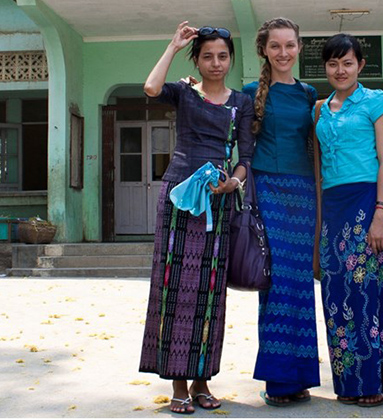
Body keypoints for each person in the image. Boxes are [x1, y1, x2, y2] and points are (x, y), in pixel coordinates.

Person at [138, 22, 255, 414]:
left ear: (230, 59)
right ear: (197, 59)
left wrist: (232, 184)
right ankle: (178, 384)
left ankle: (203, 380)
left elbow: (246, 158)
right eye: (207, 56)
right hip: (179, 200)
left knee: (209, 295)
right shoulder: (185, 94)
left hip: (217, 203)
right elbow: (152, 88)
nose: (216, 63)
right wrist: (172, 45)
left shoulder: (241, 102)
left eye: (223, 56)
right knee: (174, 290)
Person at [241, 17, 320, 407]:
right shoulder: (249, 92)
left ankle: (302, 376)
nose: (283, 53)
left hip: (304, 195)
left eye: (290, 45)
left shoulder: (309, 94)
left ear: (299, 48)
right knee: (275, 285)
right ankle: (278, 381)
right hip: (267, 191)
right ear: (264, 50)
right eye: (276, 46)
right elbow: (238, 145)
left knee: (300, 286)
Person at [314, 33, 383, 407]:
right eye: (333, 63)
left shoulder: (375, 101)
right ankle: (348, 385)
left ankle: (373, 384)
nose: (340, 70)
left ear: (361, 65)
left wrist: (381, 212)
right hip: (333, 206)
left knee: (366, 294)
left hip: (366, 203)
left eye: (347, 63)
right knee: (334, 297)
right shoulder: (320, 109)